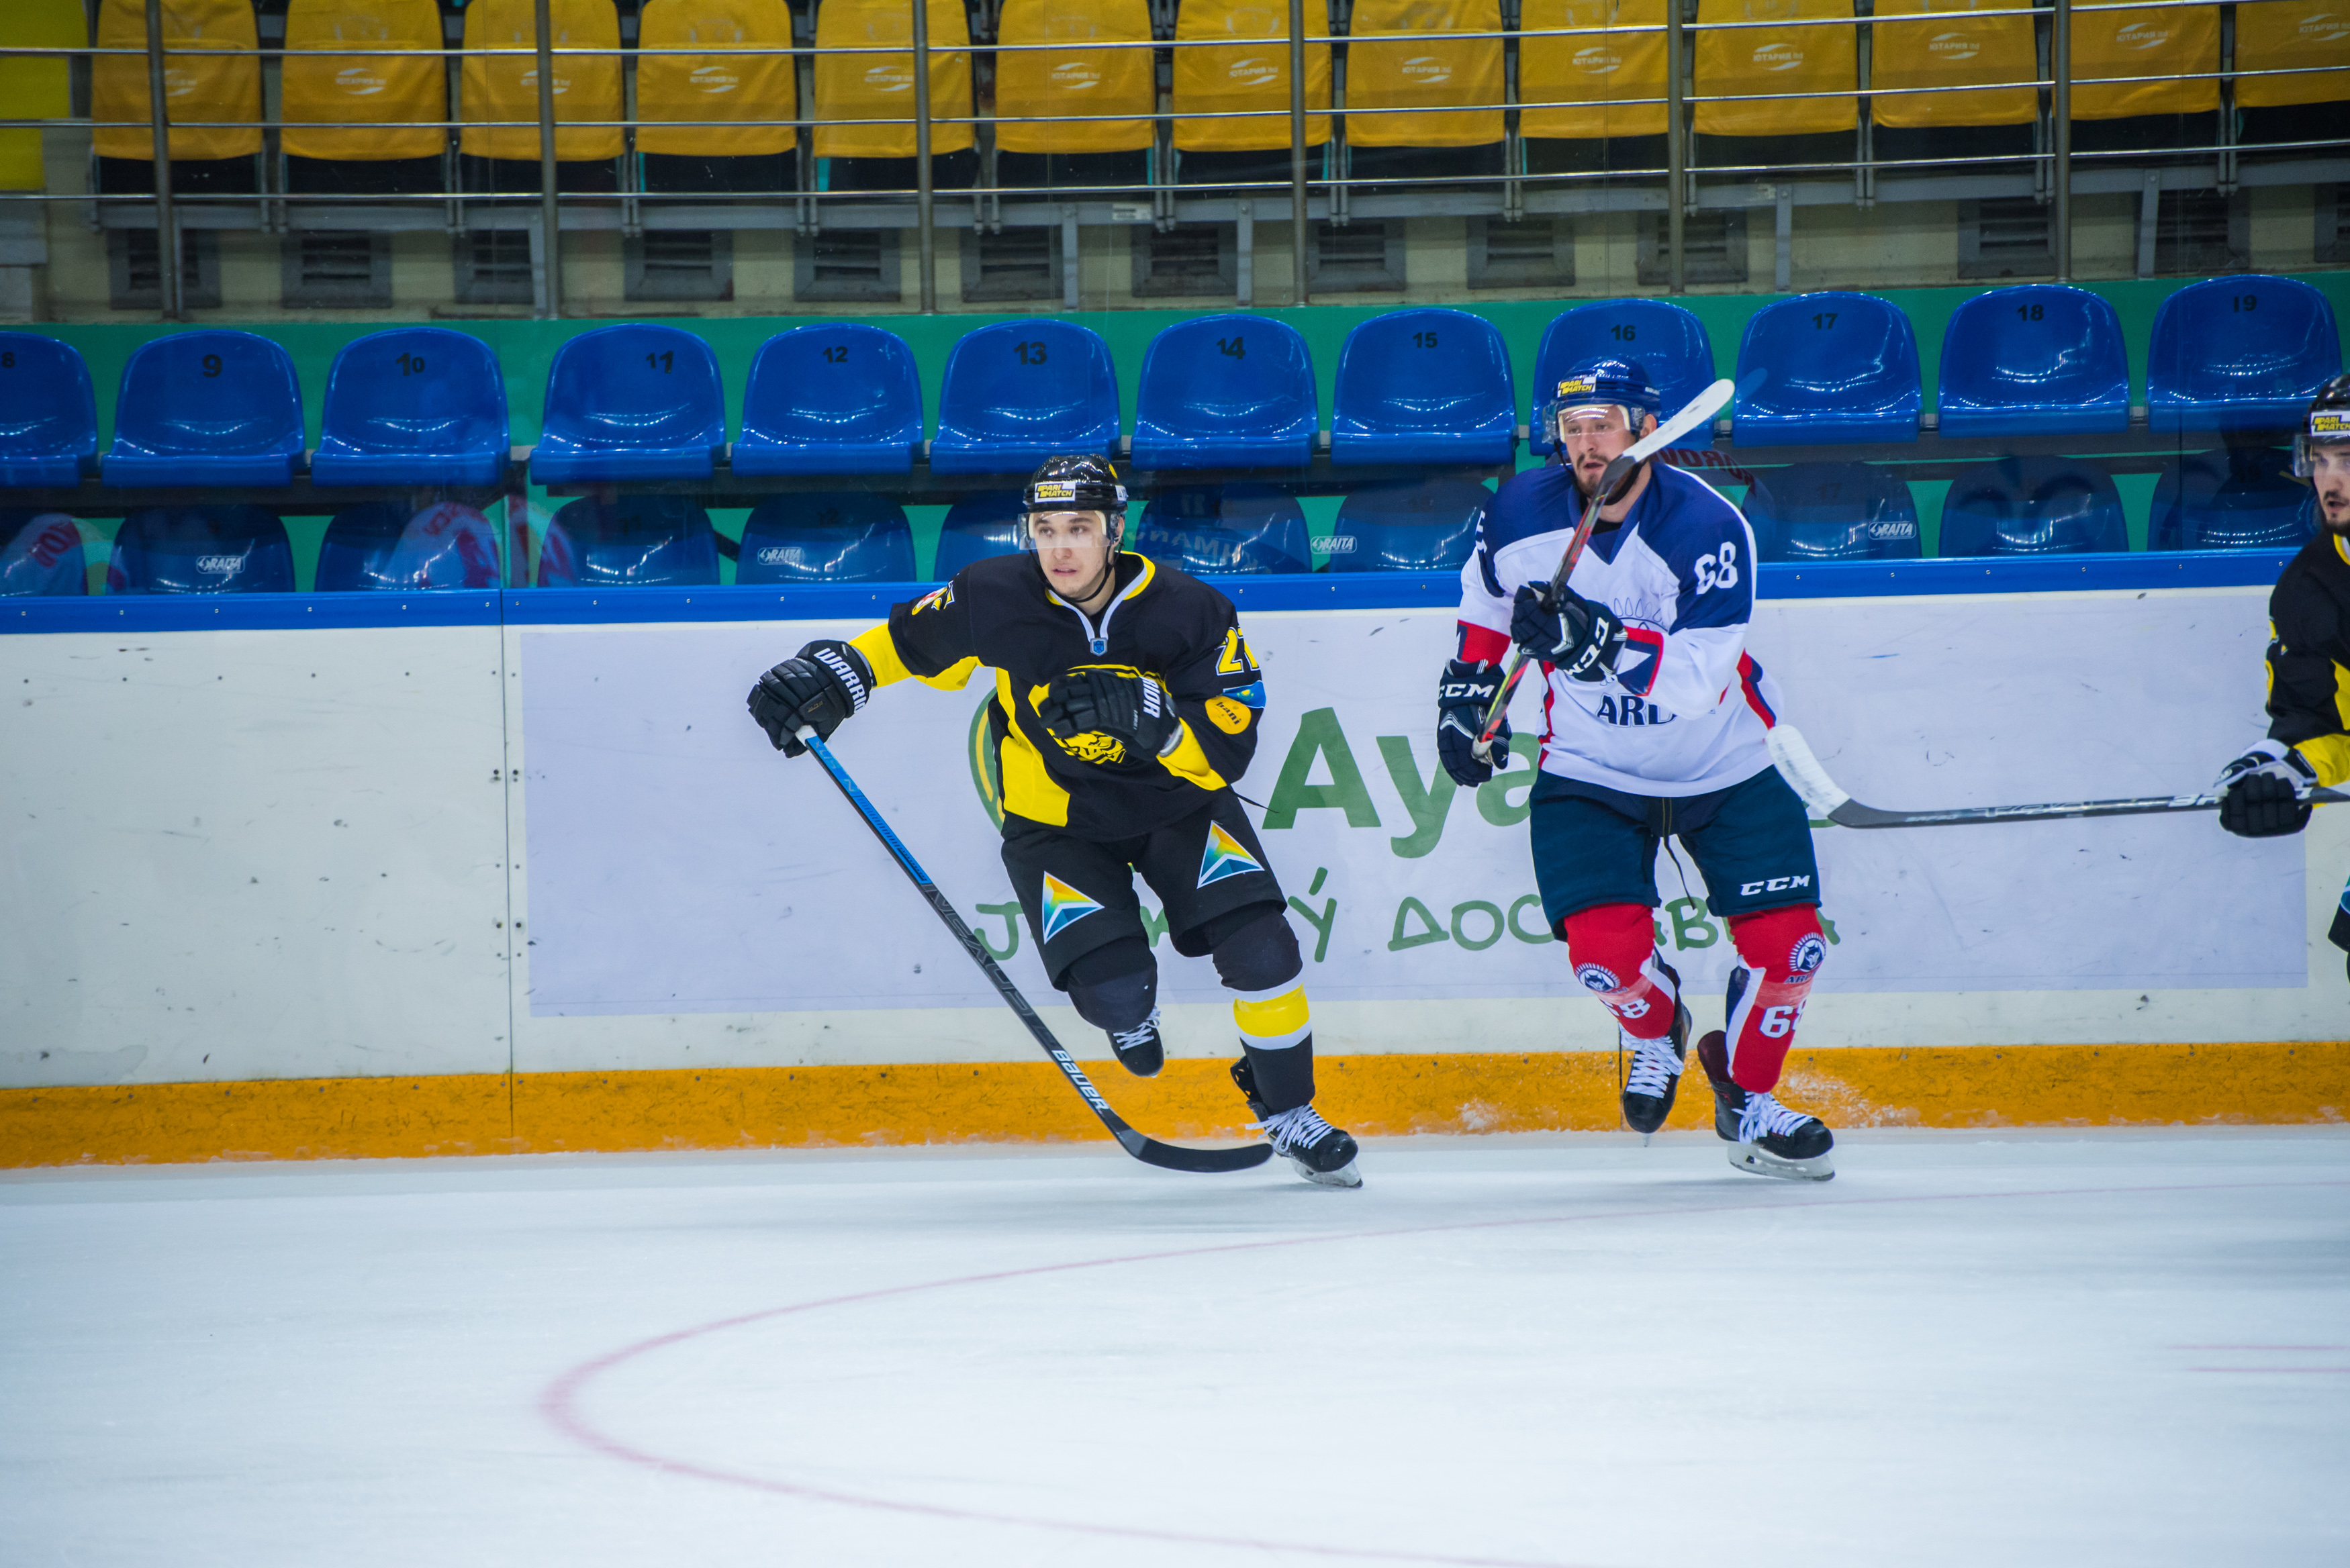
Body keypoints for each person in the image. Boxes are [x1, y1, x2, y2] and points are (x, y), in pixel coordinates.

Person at [745, 455, 1362, 1188]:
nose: (1061, 547)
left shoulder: (1190, 608)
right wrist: (834, 676)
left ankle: (1290, 1109)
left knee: (1264, 953)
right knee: (1112, 993)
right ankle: (1128, 1010)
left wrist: (1160, 726)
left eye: (1078, 527)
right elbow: (907, 645)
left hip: (1179, 808)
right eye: (1045, 529)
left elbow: (1229, 743)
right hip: (1055, 823)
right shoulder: (993, 594)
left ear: (1114, 530)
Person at [1436, 358, 1836, 1181]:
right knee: (1603, 961)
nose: (1586, 443)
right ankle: (1656, 1029)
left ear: (1647, 431)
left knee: (1790, 951)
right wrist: (1469, 698)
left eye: (1604, 425)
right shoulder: (1517, 512)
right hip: (1590, 766)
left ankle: (1749, 1098)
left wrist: (1597, 641)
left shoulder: (1707, 526)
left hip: (1725, 761)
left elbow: (1695, 683)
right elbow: (1485, 606)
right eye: (1572, 428)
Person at [2214, 374, 2350, 971]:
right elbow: (2320, 722)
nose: (2331, 483)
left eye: (2349, 460)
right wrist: (2281, 772)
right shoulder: (2310, 589)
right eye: (2319, 461)